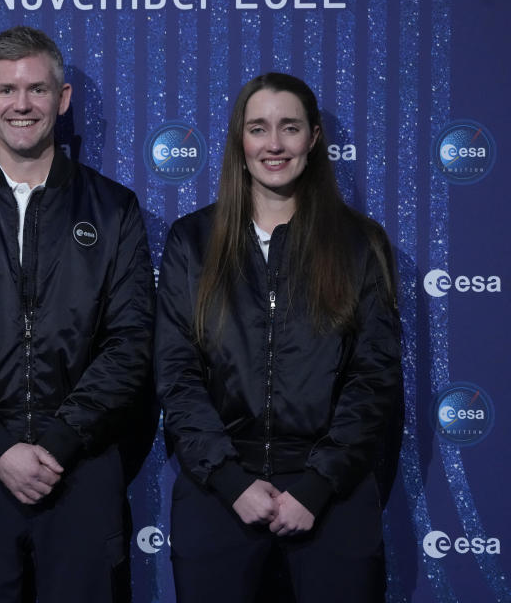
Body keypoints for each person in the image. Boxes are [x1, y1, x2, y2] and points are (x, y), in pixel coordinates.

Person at [0, 26, 155, 603]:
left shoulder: (115, 209)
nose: (23, 104)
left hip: (82, 467)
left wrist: (61, 441)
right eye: (8, 89)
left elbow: (130, 341)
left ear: (62, 100)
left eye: (38, 89)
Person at [155, 73, 402, 603]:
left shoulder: (360, 243)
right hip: (219, 495)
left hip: (331, 496)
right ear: (239, 141)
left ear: (313, 139)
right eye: (258, 128)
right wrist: (230, 480)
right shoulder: (192, 241)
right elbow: (175, 373)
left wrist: (316, 486)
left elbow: (373, 377)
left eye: (289, 128)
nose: (273, 144)